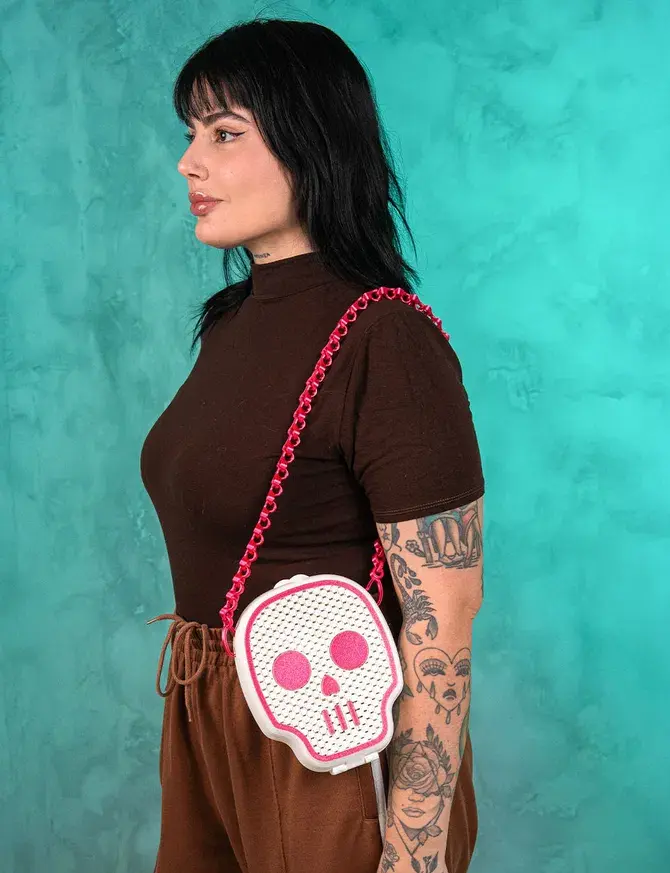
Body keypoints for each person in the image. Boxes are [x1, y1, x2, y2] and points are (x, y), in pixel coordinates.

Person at [140, 17, 485, 873]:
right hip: (210, 715)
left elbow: (442, 618)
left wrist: (412, 854)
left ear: (311, 145)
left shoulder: (383, 337)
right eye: (190, 134)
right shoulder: (230, 323)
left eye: (224, 134)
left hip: (327, 744)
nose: (189, 163)